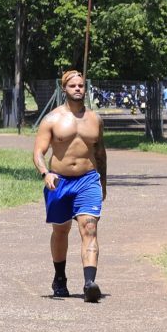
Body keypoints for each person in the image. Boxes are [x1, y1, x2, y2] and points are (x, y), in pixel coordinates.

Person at [33, 69, 107, 303]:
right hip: (60, 182)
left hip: (88, 180)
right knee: (61, 231)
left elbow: (100, 153)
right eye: (73, 86)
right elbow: (38, 152)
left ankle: (89, 284)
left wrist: (103, 182)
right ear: (64, 89)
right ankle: (59, 278)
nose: (78, 89)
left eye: (81, 85)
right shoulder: (52, 119)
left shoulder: (95, 120)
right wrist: (45, 173)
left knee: (89, 228)